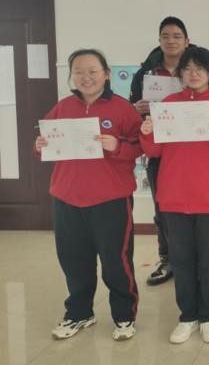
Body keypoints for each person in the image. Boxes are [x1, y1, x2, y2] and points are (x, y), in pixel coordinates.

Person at [140, 47, 209, 344]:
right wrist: (148, 131)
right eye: (187, 68)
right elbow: (154, 151)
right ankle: (187, 316)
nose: (193, 73)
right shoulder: (169, 104)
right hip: (174, 196)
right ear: (179, 74)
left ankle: (208, 316)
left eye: (200, 68)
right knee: (181, 259)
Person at [35, 49, 141, 341]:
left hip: (111, 199)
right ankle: (80, 313)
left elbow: (140, 146)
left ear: (106, 74)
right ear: (71, 76)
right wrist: (40, 144)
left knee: (116, 261)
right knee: (74, 260)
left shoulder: (122, 108)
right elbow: (43, 143)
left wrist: (117, 146)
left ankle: (124, 315)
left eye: (93, 71)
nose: (86, 77)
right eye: (79, 71)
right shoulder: (63, 107)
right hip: (67, 197)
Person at [129, 16, 190, 286]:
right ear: (159, 40)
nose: (171, 41)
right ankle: (167, 258)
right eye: (166, 36)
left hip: (193, 151)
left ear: (186, 40)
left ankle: (189, 259)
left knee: (194, 207)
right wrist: (137, 109)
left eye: (177, 36)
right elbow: (131, 109)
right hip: (159, 150)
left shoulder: (197, 67)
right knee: (162, 206)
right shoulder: (146, 73)